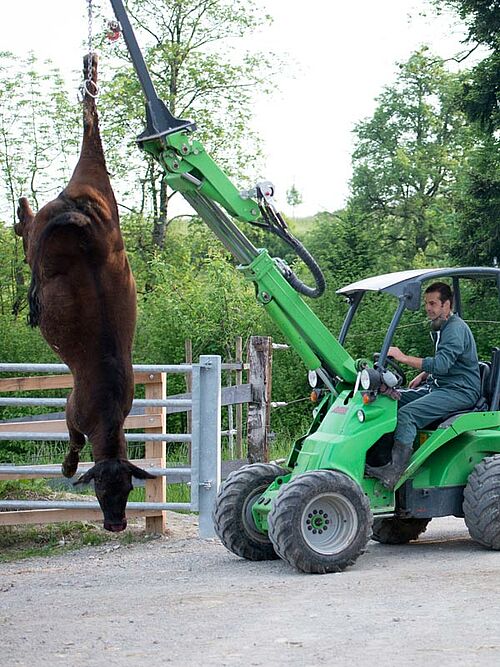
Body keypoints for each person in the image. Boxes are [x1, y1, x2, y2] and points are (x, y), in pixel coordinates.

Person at [365, 282, 481, 489]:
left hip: (460, 390)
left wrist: (403, 357)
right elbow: (447, 360)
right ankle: (379, 460)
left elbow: (443, 365)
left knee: (408, 414)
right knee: (390, 401)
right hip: (440, 386)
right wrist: (424, 374)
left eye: (433, 303)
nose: (428, 308)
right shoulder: (442, 326)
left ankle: (395, 472)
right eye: (427, 303)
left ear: (447, 305)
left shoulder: (454, 329)